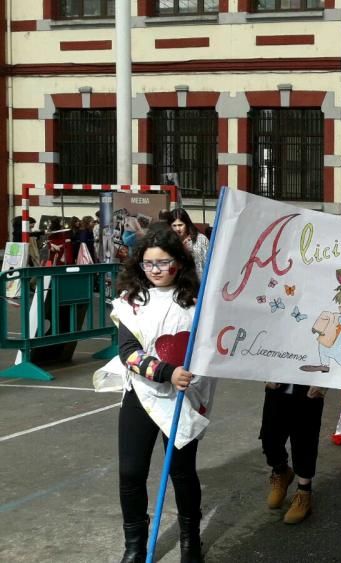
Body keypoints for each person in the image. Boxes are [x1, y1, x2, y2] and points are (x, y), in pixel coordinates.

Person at [109, 228, 215, 563]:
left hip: (183, 396)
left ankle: (189, 540)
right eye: (148, 263)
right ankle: (135, 544)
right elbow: (128, 352)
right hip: (142, 393)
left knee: (182, 473)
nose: (154, 269)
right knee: (131, 471)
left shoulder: (198, 300)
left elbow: (210, 347)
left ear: (178, 262)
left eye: (163, 262)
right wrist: (167, 372)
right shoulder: (131, 302)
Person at [260, 381, 327, 525]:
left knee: (305, 440)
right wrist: (266, 375)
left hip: (310, 388)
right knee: (269, 436)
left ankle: (304, 492)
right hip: (278, 384)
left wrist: (324, 383)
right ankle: (281, 472)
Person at [170, 208, 210, 278]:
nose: (177, 229)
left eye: (180, 225)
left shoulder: (201, 239)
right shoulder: (168, 241)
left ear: (187, 224)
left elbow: (209, 262)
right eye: (174, 226)